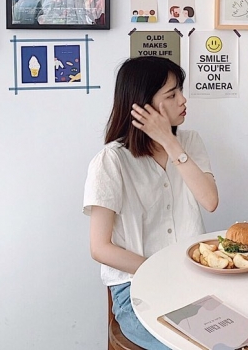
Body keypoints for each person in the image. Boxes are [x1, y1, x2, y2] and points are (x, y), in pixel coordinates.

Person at [83, 57, 218, 350]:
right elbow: (99, 247)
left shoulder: (190, 142)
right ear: (143, 105)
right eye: (171, 94)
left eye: (180, 90)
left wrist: (170, 142)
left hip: (195, 280)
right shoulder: (111, 161)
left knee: (244, 337)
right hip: (135, 290)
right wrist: (159, 271)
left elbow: (210, 201)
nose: (183, 100)